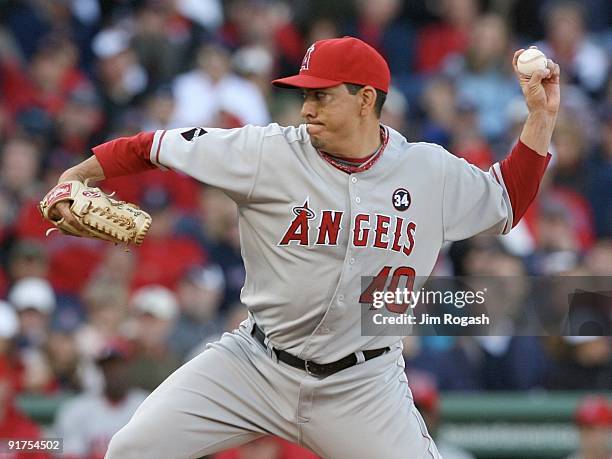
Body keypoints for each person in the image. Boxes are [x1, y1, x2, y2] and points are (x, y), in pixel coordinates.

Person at [45, 36, 560, 459]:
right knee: (131, 450)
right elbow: (149, 147)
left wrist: (540, 117)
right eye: (303, 95)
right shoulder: (265, 152)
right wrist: (73, 177)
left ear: (365, 99)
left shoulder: (428, 170)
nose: (306, 107)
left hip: (363, 384)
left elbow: (506, 201)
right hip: (254, 363)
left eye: (321, 95)